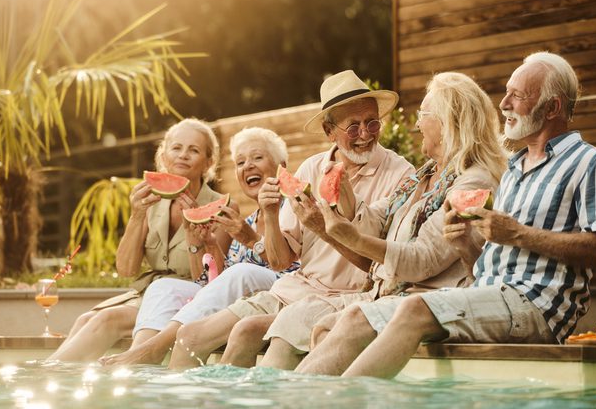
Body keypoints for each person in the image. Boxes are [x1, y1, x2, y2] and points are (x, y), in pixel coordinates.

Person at [297, 51, 596, 378]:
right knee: (340, 322)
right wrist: (467, 245)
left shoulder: (589, 162)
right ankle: (306, 406)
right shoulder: (514, 171)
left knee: (409, 310)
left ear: (552, 107)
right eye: (506, 92)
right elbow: (485, 268)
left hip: (536, 305)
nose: (504, 103)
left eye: (517, 95)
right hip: (490, 294)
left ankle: (332, 405)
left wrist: (518, 234)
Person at [166, 69, 416, 370]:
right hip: (297, 288)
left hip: (348, 297)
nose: (365, 134)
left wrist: (322, 229)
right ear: (329, 132)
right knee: (188, 337)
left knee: (247, 331)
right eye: (353, 127)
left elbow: (385, 266)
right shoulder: (311, 169)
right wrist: (270, 215)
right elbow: (281, 262)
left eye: (372, 122)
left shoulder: (402, 175)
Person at [259, 72, 509, 370]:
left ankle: (302, 407)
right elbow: (375, 217)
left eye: (423, 115)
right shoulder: (424, 175)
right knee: (296, 319)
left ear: (448, 123)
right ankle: (278, 406)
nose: (416, 124)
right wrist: (344, 193)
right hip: (384, 293)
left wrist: (346, 236)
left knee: (345, 320)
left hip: (423, 299)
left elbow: (422, 260)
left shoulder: (471, 183)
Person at [99, 127, 300, 365]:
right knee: (164, 287)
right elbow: (215, 288)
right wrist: (203, 244)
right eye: (240, 162)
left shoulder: (296, 208)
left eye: (257, 157)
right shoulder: (245, 221)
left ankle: (154, 348)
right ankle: (140, 354)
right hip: (244, 300)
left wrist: (250, 239)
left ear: (282, 166)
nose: (247, 166)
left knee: (242, 272)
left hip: (286, 293)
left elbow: (288, 266)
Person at [49, 119, 234, 362]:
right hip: (150, 293)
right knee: (85, 319)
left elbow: (209, 280)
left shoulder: (221, 206)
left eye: (194, 150)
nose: (183, 156)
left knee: (107, 319)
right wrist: (137, 216)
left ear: (209, 162)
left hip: (193, 296)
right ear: (164, 156)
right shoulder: (150, 203)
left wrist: (193, 236)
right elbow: (127, 269)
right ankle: (62, 379)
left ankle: (55, 374)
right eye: (176, 148)